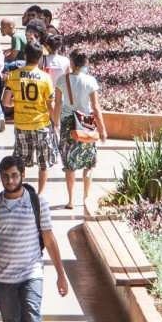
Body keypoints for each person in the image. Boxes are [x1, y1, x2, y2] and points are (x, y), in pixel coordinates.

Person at [0, 156, 70, 322]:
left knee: (32, 320)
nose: (10, 181)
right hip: (3, 277)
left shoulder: (37, 203)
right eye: (5, 177)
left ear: (23, 175)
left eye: (14, 176)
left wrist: (61, 275)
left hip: (31, 273)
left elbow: (49, 239)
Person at [54, 51, 107, 211]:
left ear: (71, 62)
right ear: (85, 63)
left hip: (68, 124)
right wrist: (103, 129)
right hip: (86, 124)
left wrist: (55, 123)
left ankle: (70, 200)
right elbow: (96, 108)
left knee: (69, 165)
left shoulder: (62, 80)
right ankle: (86, 198)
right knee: (89, 163)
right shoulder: (90, 81)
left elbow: (57, 104)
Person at [4, 44, 58, 195]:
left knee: (20, 163)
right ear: (40, 58)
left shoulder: (14, 75)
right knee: (43, 163)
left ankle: (20, 191)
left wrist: (19, 102)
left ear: (25, 56)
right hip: (41, 124)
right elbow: (50, 105)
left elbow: (6, 102)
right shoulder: (46, 78)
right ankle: (39, 195)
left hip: (21, 125)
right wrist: (56, 122)